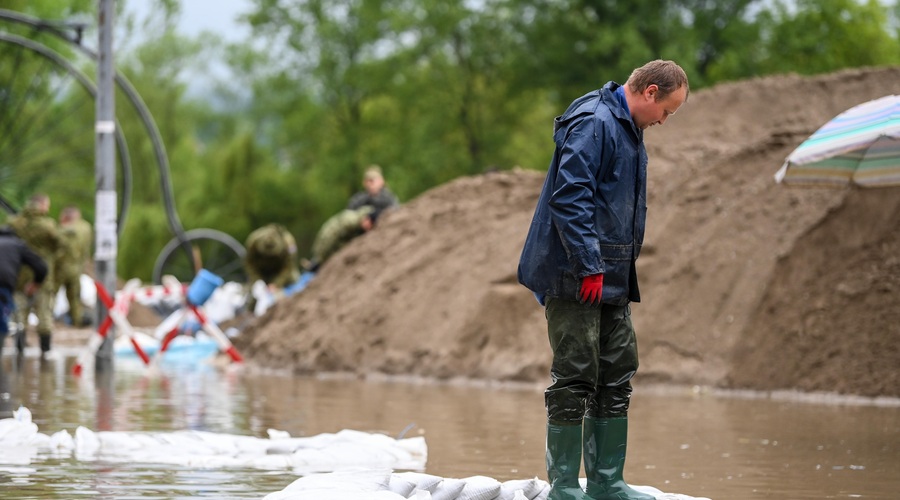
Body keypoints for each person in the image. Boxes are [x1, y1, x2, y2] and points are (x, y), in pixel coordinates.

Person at [517, 60, 689, 500]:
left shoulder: (630, 128)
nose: (665, 121)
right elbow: (570, 197)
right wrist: (589, 264)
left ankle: (607, 483)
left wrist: (608, 268)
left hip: (612, 275)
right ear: (650, 92)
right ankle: (563, 488)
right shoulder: (594, 121)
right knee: (575, 374)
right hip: (574, 272)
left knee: (616, 372)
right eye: (667, 110)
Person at [6, 193, 61, 356]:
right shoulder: (48, 226)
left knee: (19, 317)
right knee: (44, 316)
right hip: (42, 276)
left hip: (18, 277)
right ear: (42, 205)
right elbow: (59, 245)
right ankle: (46, 353)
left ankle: (19, 353)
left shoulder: (14, 223)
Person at [0, 227, 48, 357]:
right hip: (4, 286)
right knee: (3, 321)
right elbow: (41, 267)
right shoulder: (17, 244)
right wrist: (36, 283)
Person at [308, 206, 379, 271]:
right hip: (326, 243)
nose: (369, 229)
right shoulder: (351, 222)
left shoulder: (357, 225)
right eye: (370, 224)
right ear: (366, 219)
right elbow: (329, 237)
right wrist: (320, 258)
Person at [57, 205, 93, 327]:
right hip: (77, 267)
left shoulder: (64, 229)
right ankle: (77, 321)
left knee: (50, 294)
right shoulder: (86, 227)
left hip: (61, 267)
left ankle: (46, 322)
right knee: (75, 296)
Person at [243, 223, 301, 293]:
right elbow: (249, 264)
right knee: (252, 290)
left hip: (280, 270)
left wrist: (277, 283)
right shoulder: (253, 241)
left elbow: (288, 266)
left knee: (294, 281)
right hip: (260, 270)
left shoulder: (288, 243)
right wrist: (258, 281)